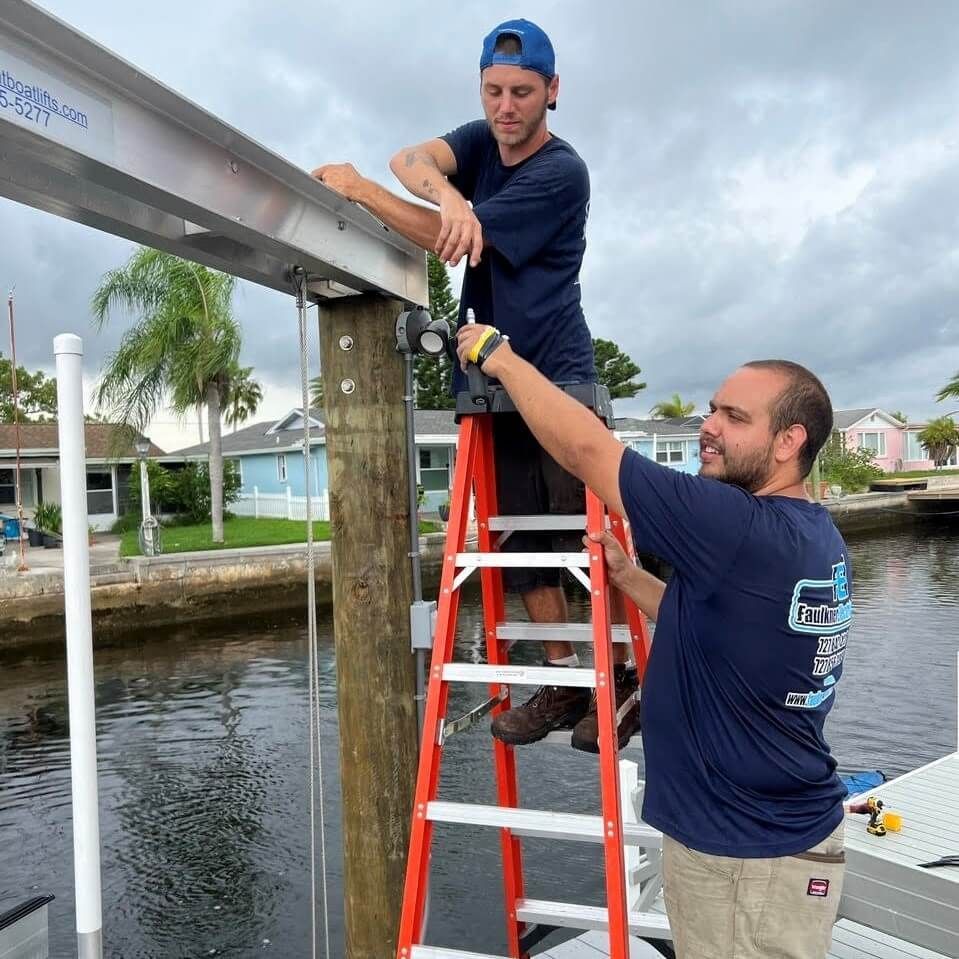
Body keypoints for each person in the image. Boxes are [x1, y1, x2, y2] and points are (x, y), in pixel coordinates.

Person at [455, 323, 851, 959]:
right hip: (762, 844)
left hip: (745, 859)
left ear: (789, 441)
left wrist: (498, 358)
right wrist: (628, 577)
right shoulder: (808, 534)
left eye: (734, 416)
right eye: (711, 409)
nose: (709, 427)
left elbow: (588, 450)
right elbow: (712, 622)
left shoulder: (735, 525)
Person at [312, 19, 640, 752]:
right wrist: (449, 192)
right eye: (493, 90)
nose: (506, 106)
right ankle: (560, 676)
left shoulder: (562, 172)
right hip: (489, 379)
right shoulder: (478, 140)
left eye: (522, 92)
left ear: (552, 92)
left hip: (555, 377)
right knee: (520, 539)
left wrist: (367, 192)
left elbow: (449, 239)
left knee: (580, 542)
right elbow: (410, 157)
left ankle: (619, 680)